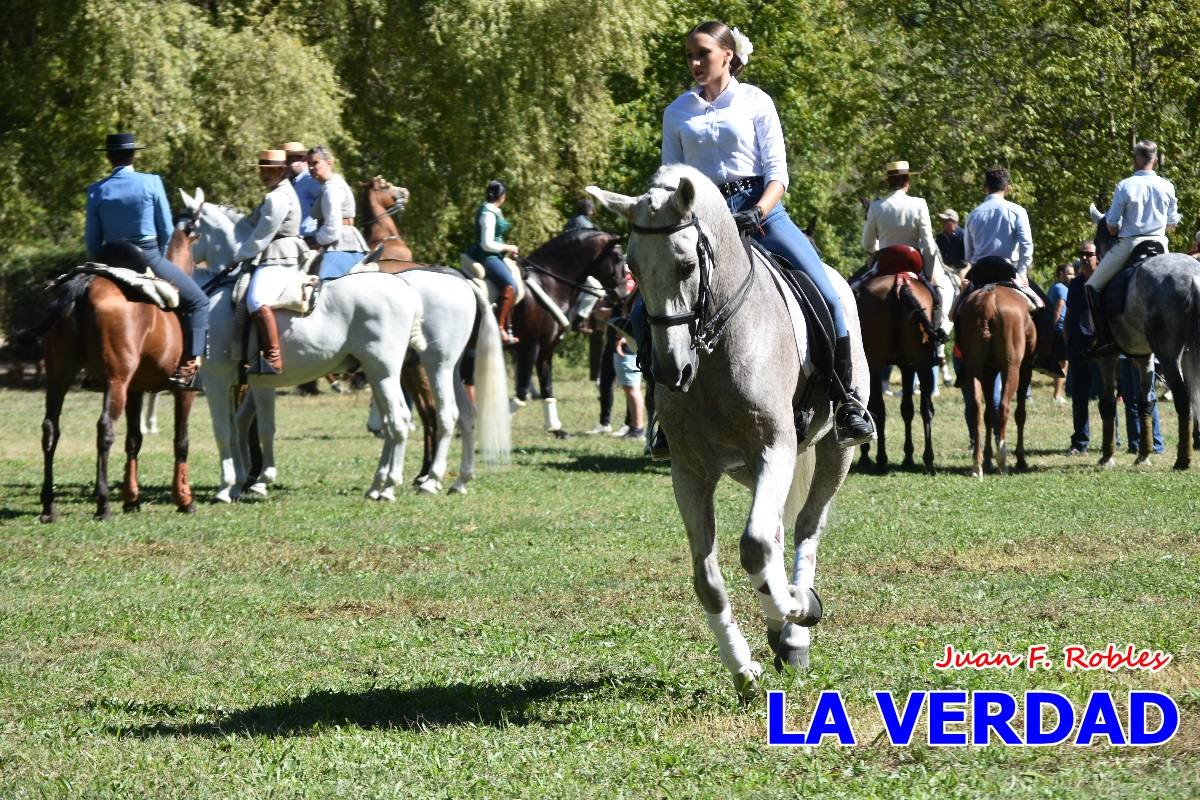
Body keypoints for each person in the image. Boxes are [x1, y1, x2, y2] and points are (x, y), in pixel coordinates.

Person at [659, 20, 873, 447]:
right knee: (645, 308)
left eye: (703, 53)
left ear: (728, 55)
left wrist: (757, 211)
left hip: (761, 212)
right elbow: (670, 177)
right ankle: (664, 416)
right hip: (701, 220)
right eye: (690, 56)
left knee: (829, 296)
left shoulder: (757, 102)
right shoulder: (677, 111)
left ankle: (845, 401)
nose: (695, 62)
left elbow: (778, 175)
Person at [85, 132, 209, 388]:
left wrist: (105, 261)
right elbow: (165, 229)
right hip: (147, 255)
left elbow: (92, 242)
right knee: (199, 301)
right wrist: (157, 258)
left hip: (110, 260)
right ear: (133, 155)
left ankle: (92, 367)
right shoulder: (151, 182)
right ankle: (189, 366)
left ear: (109, 157)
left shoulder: (96, 190)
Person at [1085, 139, 1180, 357]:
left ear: (1135, 159)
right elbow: (1173, 222)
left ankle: (1103, 339)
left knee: (1091, 286)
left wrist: (1123, 225)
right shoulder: (1167, 186)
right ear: (1155, 160)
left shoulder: (1125, 185)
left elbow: (1111, 226)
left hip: (1130, 244)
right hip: (1160, 245)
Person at [233, 149, 308, 374]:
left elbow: (262, 235)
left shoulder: (278, 197)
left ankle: (272, 358)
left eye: (271, 170)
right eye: (262, 170)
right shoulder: (277, 193)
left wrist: (239, 256)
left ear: (282, 171)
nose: (265, 175)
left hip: (281, 256)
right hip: (275, 255)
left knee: (256, 300)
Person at [961, 166, 1042, 311]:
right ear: (1007, 188)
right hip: (1008, 272)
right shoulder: (1017, 211)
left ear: (985, 187)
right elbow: (1026, 244)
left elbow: (968, 255)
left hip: (980, 274)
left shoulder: (973, 215)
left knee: (956, 312)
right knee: (1046, 310)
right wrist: (1022, 273)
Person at [466, 180, 520, 346]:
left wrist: (506, 250)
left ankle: (508, 327)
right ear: (502, 196)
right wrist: (507, 247)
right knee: (510, 284)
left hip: (496, 255)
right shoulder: (488, 214)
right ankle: (499, 327)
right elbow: (487, 244)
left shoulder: (494, 210)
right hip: (486, 256)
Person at [1064, 242, 1106, 454]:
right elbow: (1069, 312)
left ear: (1097, 257)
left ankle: (1111, 439)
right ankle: (1080, 442)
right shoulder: (1075, 284)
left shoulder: (1105, 281)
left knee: (1105, 395)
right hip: (1077, 348)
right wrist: (1067, 336)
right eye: (1081, 254)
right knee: (1079, 397)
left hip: (1100, 349)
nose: (1084, 258)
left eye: (1088, 254)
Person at [305, 145, 370, 278]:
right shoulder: (333, 184)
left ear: (329, 163)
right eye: (308, 164)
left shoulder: (331, 188)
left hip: (340, 245)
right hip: (345, 243)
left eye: (315, 163)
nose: (311, 167)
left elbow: (333, 227)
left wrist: (316, 241)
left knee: (319, 284)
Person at [1047, 261, 1074, 403]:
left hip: (1056, 330)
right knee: (1063, 363)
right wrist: (1053, 328)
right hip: (1060, 330)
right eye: (1069, 274)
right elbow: (1058, 309)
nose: (1072, 277)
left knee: (1060, 362)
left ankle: (1057, 394)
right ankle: (1057, 396)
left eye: (1073, 274)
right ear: (1060, 274)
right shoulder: (1062, 288)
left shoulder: (1054, 287)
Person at [282, 141, 321, 237]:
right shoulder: (293, 182)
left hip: (309, 237)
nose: (285, 165)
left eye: (289, 161)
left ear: (302, 160)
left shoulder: (309, 179)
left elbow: (327, 204)